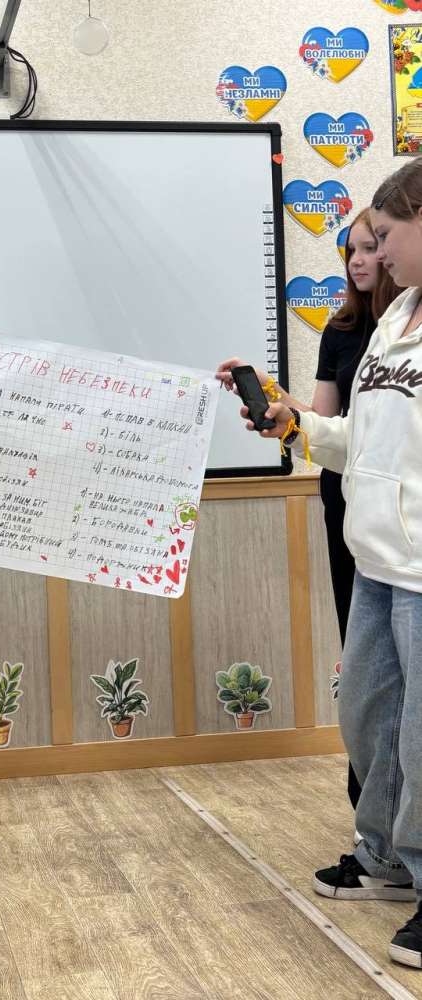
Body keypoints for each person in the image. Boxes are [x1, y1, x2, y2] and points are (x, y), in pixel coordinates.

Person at [228, 157, 422, 969]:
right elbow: (362, 438)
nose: (377, 250)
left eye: (388, 233)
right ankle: (386, 858)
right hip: (375, 558)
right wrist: (293, 422)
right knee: (369, 719)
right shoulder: (398, 312)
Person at [216, 207, 401, 813]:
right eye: (352, 250)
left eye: (374, 245)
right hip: (347, 500)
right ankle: (371, 816)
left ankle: (397, 824)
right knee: (364, 656)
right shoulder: (346, 329)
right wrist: (272, 399)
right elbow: (328, 425)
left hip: (401, 515)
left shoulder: (403, 328)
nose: (361, 260)